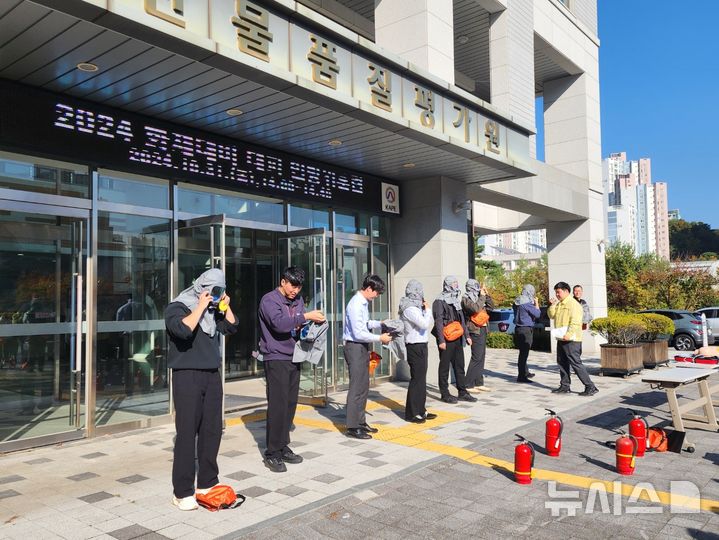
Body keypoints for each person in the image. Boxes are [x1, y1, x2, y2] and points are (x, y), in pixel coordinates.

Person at [165, 268, 238, 511]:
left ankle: (207, 482)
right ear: (200, 286)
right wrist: (199, 306)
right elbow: (183, 330)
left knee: (212, 429)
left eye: (220, 289)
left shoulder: (213, 310)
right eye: (211, 289)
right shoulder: (177, 306)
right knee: (186, 433)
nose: (214, 294)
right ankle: (182, 491)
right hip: (187, 375)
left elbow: (232, 327)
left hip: (211, 374)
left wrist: (224, 305)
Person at [258, 266, 326, 473]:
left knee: (289, 404)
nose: (295, 290)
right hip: (276, 356)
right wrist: (305, 317)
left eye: (298, 287)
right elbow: (279, 324)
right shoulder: (269, 300)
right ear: (283, 282)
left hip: (295, 355)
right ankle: (272, 453)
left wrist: (310, 328)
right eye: (292, 286)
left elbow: (296, 324)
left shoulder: (297, 301)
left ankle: (282, 445)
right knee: (278, 405)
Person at [343, 274, 392, 439]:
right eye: (376, 293)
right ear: (369, 288)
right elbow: (358, 333)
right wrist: (380, 338)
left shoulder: (363, 303)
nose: (376, 296)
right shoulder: (356, 304)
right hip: (354, 346)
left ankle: (360, 422)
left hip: (361, 347)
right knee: (357, 387)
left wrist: (380, 324)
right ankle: (352, 426)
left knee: (363, 387)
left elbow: (365, 324)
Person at [547, 281, 598, 396]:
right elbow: (551, 315)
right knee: (562, 362)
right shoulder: (559, 304)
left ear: (566, 291)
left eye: (558, 292)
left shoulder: (573, 304)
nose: (557, 295)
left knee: (575, 363)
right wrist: (552, 304)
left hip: (572, 339)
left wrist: (569, 334)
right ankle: (565, 386)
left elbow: (575, 322)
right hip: (561, 338)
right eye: (556, 292)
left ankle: (590, 386)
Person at [432, 276, 477, 404]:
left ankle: (462, 392)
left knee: (459, 365)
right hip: (446, 338)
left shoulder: (455, 300)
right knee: (445, 366)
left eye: (457, 283)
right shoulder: (439, 301)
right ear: (448, 285)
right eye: (454, 283)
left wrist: (467, 336)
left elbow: (461, 320)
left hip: (457, 337)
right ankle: (444, 393)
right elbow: (439, 322)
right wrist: (441, 340)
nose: (456, 285)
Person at [399, 280, 436, 423]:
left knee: (421, 380)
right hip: (414, 346)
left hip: (421, 345)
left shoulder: (415, 306)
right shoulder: (410, 308)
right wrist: (428, 309)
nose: (422, 293)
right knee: (416, 380)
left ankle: (421, 410)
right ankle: (412, 413)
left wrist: (424, 309)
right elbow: (424, 324)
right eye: (419, 290)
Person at [462, 279, 494, 392]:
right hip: (475, 330)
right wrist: (482, 296)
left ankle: (478, 382)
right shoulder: (466, 299)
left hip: (483, 328)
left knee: (481, 356)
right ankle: (468, 384)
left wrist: (487, 294)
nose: (477, 288)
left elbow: (491, 307)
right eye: (475, 286)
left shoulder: (479, 297)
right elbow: (476, 308)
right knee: (476, 357)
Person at [513, 284, 540, 383]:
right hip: (526, 330)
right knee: (524, 354)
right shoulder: (527, 303)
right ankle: (521, 376)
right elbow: (537, 314)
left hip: (518, 328)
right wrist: (536, 303)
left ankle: (526, 372)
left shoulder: (517, 301)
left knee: (523, 352)